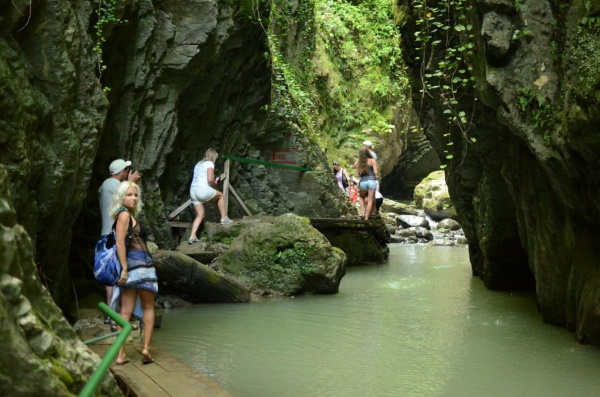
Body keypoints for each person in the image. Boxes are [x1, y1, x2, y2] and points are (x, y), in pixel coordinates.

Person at [110, 181, 158, 365]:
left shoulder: (125, 215)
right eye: (129, 194)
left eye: (135, 195)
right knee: (147, 308)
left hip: (134, 267)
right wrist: (123, 268)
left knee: (125, 311)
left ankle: (122, 354)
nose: (133, 198)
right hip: (140, 267)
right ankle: (145, 349)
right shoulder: (123, 215)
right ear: (120, 197)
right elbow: (120, 243)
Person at [98, 159, 140, 327]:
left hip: (108, 233)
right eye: (127, 170)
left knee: (111, 275)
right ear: (122, 171)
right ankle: (114, 314)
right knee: (117, 275)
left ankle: (112, 313)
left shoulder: (104, 185)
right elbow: (124, 197)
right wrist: (132, 183)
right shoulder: (111, 184)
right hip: (113, 234)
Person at [188, 148, 232, 244]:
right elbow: (210, 180)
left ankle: (192, 236)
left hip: (193, 191)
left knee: (200, 215)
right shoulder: (210, 163)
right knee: (220, 196)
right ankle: (224, 218)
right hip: (202, 189)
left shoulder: (198, 164)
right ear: (213, 156)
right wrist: (216, 181)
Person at [354, 147, 379, 220]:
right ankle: (367, 217)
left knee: (361, 197)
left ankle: (362, 212)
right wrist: (373, 172)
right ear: (368, 153)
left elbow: (358, 175)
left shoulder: (357, 162)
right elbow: (376, 172)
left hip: (363, 182)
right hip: (372, 181)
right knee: (370, 200)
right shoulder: (372, 160)